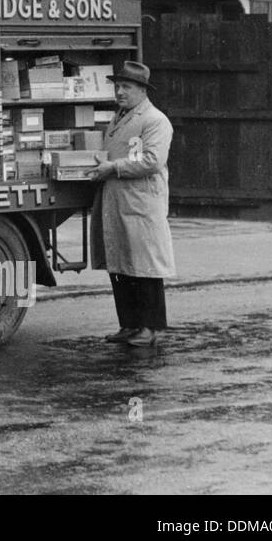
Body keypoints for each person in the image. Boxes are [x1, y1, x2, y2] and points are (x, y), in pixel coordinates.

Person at [86, 61, 176, 347]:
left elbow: (152, 160)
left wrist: (112, 167)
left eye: (126, 87)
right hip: (119, 200)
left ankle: (151, 328)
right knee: (121, 264)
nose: (119, 92)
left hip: (141, 204)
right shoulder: (121, 117)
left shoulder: (155, 120)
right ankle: (129, 324)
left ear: (142, 90)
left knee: (144, 268)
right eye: (117, 86)